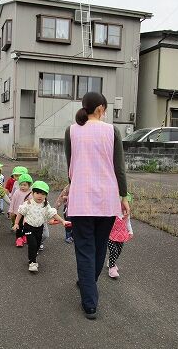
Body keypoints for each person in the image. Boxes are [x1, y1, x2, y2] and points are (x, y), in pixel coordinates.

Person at [65, 92, 130, 320]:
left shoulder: (71, 130)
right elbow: (119, 168)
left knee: (84, 249)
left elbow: (70, 166)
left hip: (81, 199)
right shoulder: (112, 131)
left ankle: (89, 302)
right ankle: (88, 285)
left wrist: (69, 187)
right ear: (101, 108)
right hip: (107, 199)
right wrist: (124, 196)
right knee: (100, 246)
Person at [13, 181, 69, 273]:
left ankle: (32, 257)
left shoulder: (45, 204)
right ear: (32, 193)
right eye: (37, 193)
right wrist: (16, 223)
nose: (40, 196)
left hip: (39, 228)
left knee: (37, 245)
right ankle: (32, 263)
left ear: (46, 195)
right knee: (32, 244)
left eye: (43, 194)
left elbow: (53, 213)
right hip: (29, 227)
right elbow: (20, 213)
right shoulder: (28, 203)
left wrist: (62, 221)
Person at [8, 173, 33, 247]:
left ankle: (24, 236)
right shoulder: (17, 192)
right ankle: (19, 238)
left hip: (27, 213)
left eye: (25, 185)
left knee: (26, 226)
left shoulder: (31, 193)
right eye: (21, 184)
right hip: (17, 212)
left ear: (29, 185)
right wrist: (11, 210)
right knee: (19, 226)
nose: (22, 187)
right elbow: (13, 201)